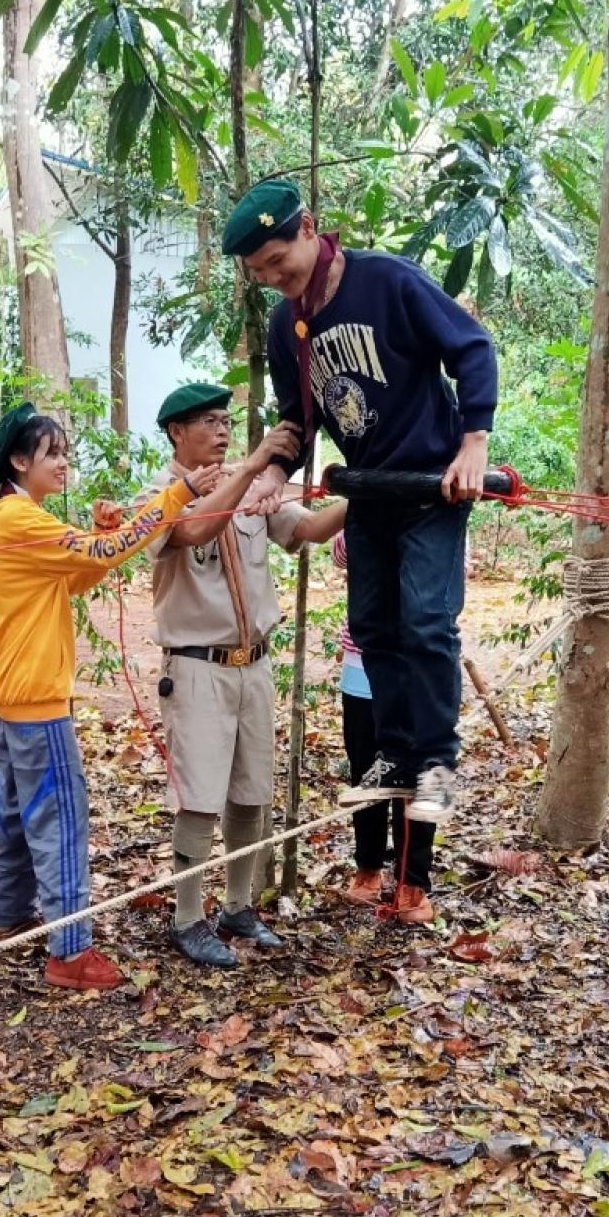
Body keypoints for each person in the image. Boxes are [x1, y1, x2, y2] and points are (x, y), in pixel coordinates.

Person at [0, 402, 280, 991]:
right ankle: (70, 953)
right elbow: (106, 556)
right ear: (19, 462)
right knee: (61, 823)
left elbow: (78, 574)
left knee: (16, 816)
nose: (64, 463)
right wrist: (178, 495)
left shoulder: (14, 515)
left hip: (18, 694)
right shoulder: (19, 519)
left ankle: (5, 919)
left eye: (65, 452)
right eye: (52, 454)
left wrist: (107, 531)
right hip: (35, 696)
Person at [222, 177, 498, 827]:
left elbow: (471, 347)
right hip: (369, 491)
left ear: (309, 229)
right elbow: (298, 417)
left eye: (277, 261)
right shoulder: (285, 325)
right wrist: (276, 470)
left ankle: (438, 771)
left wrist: (474, 441)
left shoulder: (388, 281)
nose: (272, 278)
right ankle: (396, 756)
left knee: (426, 623)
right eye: (258, 272)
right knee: (372, 628)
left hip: (431, 485)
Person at [146, 384, 342, 967]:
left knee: (251, 793)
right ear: (177, 432)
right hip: (196, 667)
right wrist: (257, 463)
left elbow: (309, 529)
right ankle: (187, 918)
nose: (223, 431)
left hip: (254, 665)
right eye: (209, 421)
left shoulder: (254, 485)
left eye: (226, 421)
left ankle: (238, 906)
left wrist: (369, 490)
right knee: (199, 799)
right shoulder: (158, 496)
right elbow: (193, 531)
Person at [331, 528, 438, 923]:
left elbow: (450, 568)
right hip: (363, 663)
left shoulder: (440, 516)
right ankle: (368, 868)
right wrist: (370, 505)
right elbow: (342, 553)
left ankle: (413, 882)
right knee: (366, 769)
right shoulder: (366, 513)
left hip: (422, 666)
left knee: (421, 775)